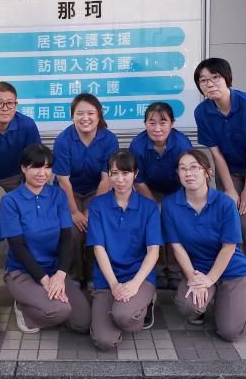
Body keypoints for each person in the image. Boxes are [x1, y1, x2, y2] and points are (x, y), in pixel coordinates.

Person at [193, 58, 246, 280]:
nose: (210, 84)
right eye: (203, 80)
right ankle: (226, 272)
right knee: (227, 218)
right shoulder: (202, 112)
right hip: (229, 169)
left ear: (227, 79)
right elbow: (216, 154)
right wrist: (230, 189)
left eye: (215, 77)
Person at [162, 150, 246, 342]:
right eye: (183, 169)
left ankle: (242, 293)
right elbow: (177, 247)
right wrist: (193, 278)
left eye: (194, 167)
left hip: (230, 269)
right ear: (178, 174)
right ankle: (210, 302)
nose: (188, 173)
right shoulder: (170, 205)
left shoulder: (225, 203)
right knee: (189, 306)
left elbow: (229, 247)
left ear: (207, 172)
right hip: (198, 269)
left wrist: (209, 280)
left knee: (230, 332)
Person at [0, 144, 91, 334]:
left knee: (82, 322)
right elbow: (17, 247)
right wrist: (44, 280)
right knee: (60, 310)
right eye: (36, 167)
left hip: (53, 270)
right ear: (23, 168)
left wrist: (60, 275)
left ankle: (46, 304)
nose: (43, 173)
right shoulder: (11, 200)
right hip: (23, 272)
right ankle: (24, 307)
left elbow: (66, 239)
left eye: (47, 167)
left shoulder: (58, 195)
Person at [87, 150, 162, 351]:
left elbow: (153, 251)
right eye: (114, 173)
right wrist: (114, 285)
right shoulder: (97, 206)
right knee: (104, 341)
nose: (120, 179)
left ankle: (142, 303)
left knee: (124, 316)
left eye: (125, 173)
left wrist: (135, 284)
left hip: (139, 277)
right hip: (107, 279)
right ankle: (118, 309)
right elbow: (98, 248)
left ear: (135, 174)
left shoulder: (149, 207)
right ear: (109, 175)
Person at [52, 93, 119, 285]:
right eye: (79, 113)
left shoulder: (109, 139)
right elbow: (63, 181)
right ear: (72, 116)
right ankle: (73, 276)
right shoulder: (63, 140)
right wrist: (74, 212)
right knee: (72, 230)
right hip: (68, 192)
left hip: (96, 191)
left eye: (90, 113)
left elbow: (107, 179)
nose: (85, 118)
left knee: (94, 226)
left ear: (99, 115)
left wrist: (91, 210)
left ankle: (93, 276)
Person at [129, 101, 192, 289]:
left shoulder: (182, 144)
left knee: (173, 219)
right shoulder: (138, 145)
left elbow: (187, 175)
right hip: (148, 190)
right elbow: (138, 180)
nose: (157, 128)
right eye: (152, 123)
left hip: (177, 189)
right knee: (152, 220)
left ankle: (174, 269)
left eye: (163, 122)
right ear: (145, 124)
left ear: (172, 123)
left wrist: (170, 205)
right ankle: (155, 269)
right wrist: (152, 205)